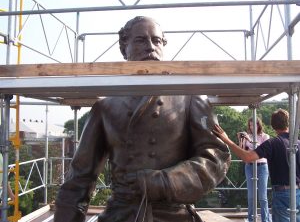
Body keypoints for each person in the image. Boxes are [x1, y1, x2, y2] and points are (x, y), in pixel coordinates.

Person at [54, 16, 231, 222]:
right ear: (124, 47)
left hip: (173, 215)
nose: (150, 47)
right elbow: (79, 180)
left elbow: (216, 158)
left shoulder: (190, 98)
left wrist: (162, 181)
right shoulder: (104, 107)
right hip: (121, 214)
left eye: (156, 41)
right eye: (140, 40)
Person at [213, 109, 300, 222]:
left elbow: (247, 157)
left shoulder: (272, 143)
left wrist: (226, 139)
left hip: (282, 194)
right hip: (298, 192)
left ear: (272, 125)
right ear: (288, 123)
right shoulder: (297, 143)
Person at [238, 118, 270, 222]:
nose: (252, 127)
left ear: (259, 125)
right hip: (249, 166)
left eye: (254, 125)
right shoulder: (248, 136)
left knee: (262, 196)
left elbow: (261, 150)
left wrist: (250, 140)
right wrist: (241, 140)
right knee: (251, 196)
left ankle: (265, 219)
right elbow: (242, 152)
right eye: (250, 125)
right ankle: (251, 219)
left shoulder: (265, 137)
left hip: (262, 166)